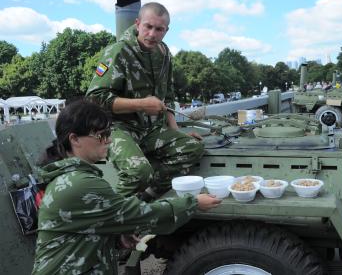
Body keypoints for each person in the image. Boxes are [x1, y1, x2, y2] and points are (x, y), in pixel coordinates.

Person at [32, 100, 221, 275]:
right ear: (74, 139)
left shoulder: (76, 178)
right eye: (101, 135)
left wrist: (116, 234)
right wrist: (193, 202)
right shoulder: (79, 184)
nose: (109, 140)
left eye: (109, 134)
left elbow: (83, 236)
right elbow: (141, 214)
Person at [86, 2, 203, 201]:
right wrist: (141, 104)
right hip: (117, 128)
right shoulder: (118, 52)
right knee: (138, 171)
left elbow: (168, 96)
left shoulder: (164, 53)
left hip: (150, 129)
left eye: (159, 29)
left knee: (192, 147)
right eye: (148, 26)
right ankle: (109, 217)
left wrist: (174, 131)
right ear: (137, 23)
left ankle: (145, 201)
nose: (152, 34)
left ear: (166, 30)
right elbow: (94, 99)